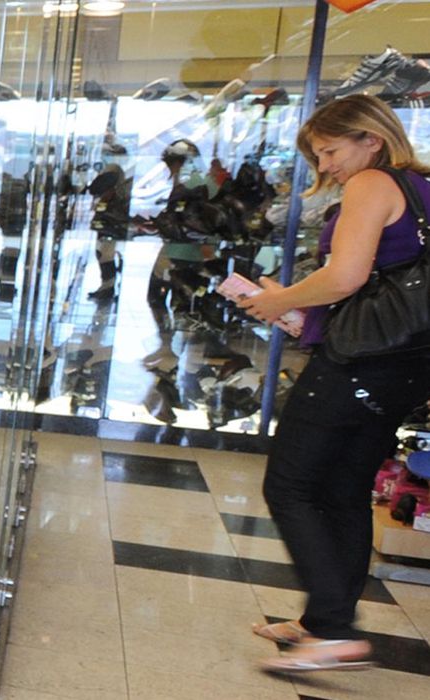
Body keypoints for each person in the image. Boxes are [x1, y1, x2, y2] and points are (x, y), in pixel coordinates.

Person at [238, 94, 430, 672]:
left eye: (330, 151)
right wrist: (306, 311)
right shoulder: (421, 188)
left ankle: (335, 631)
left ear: (372, 138)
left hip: (355, 365)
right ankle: (325, 623)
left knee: (290, 486)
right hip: (405, 364)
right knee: (344, 489)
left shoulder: (373, 183)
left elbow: (345, 276)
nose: (326, 167)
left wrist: (280, 301)